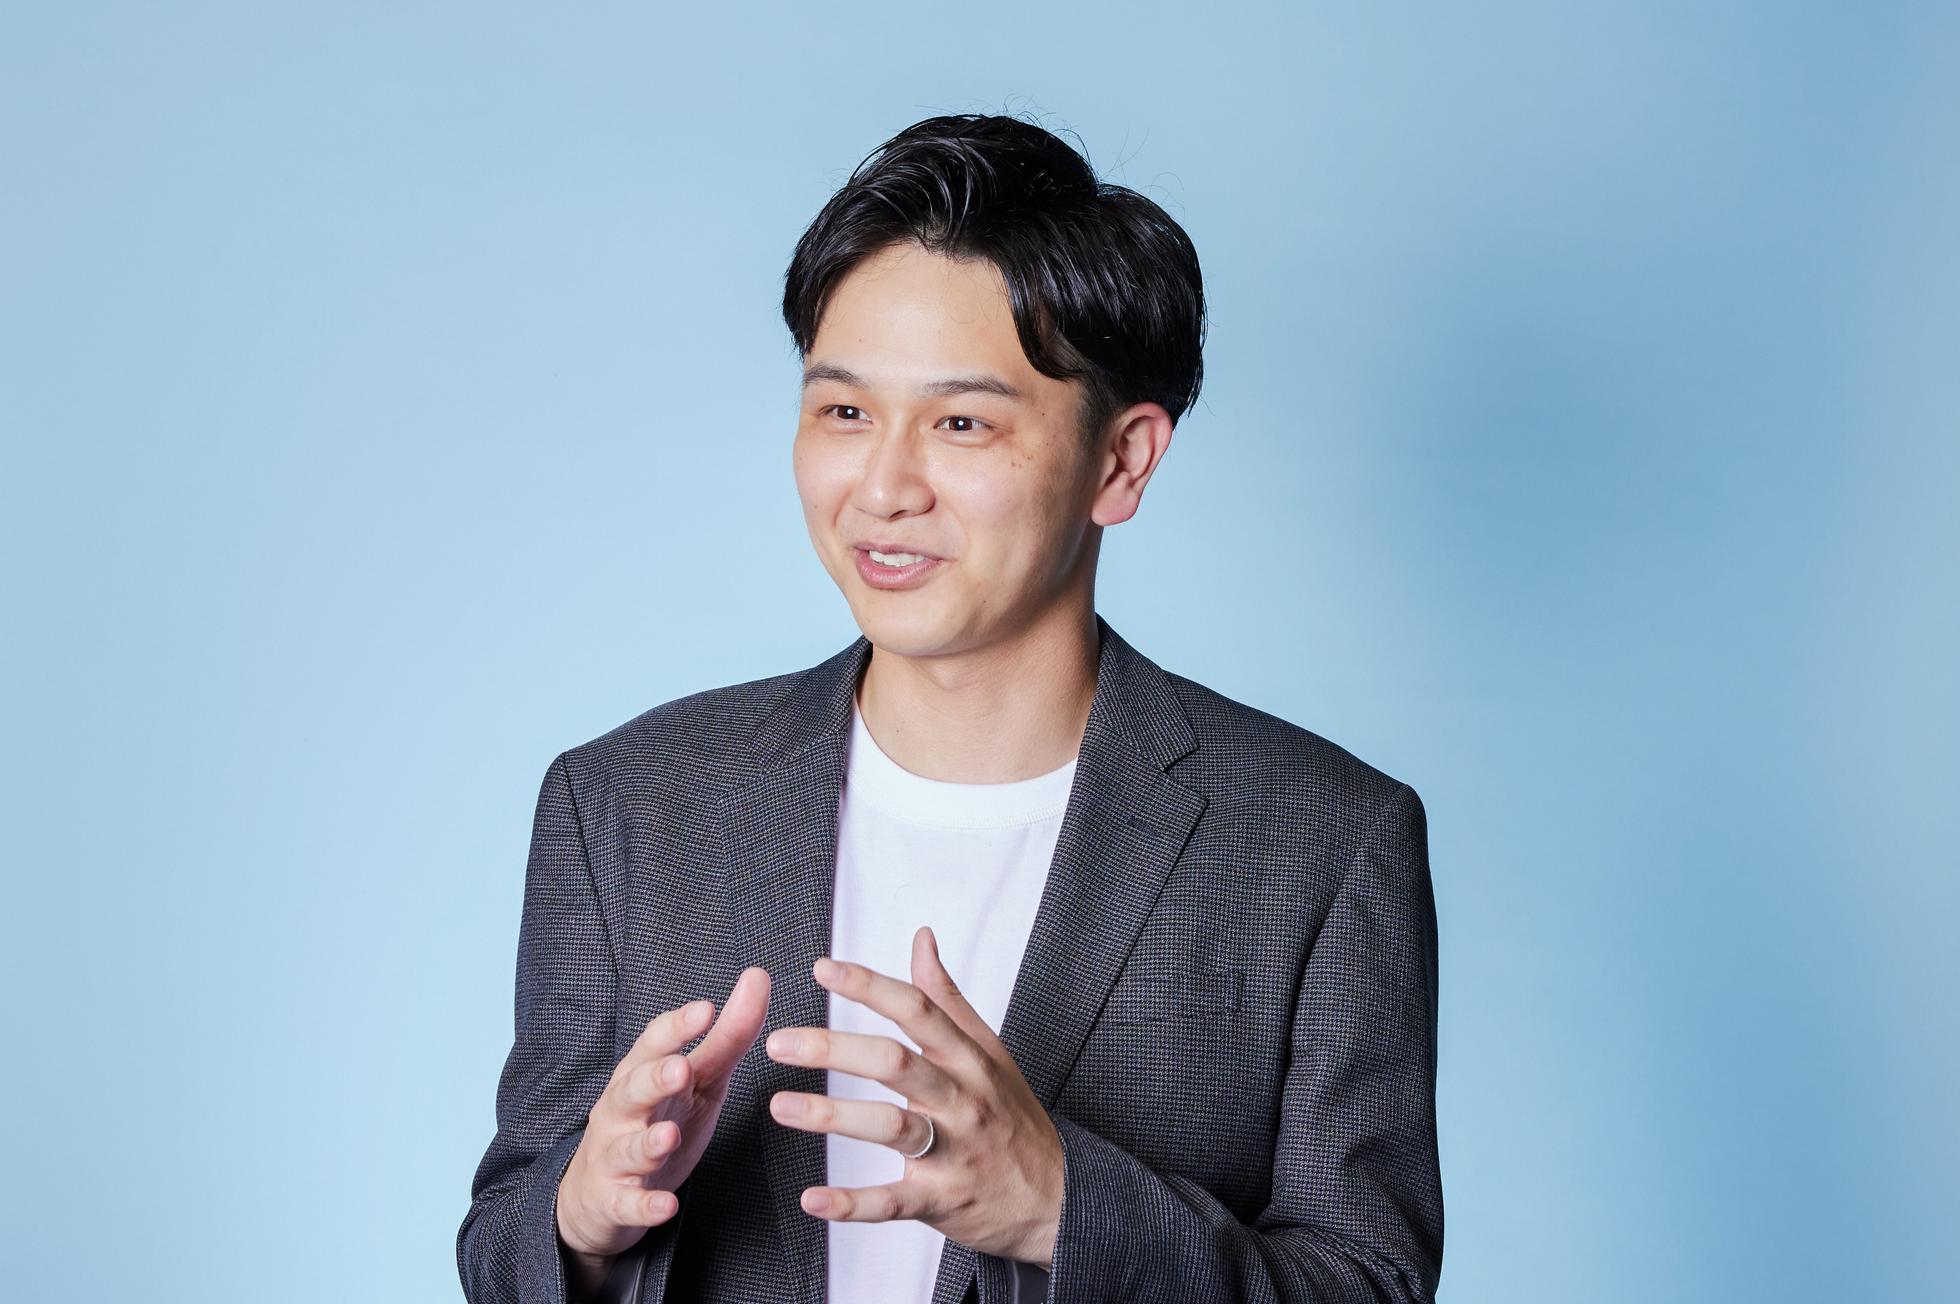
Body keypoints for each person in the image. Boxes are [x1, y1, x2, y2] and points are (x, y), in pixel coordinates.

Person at [457, 111, 1443, 1304]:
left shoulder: (1321, 839)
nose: (882, 486)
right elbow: (504, 1238)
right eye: (843, 411)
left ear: (1121, 461)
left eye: (961, 422)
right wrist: (583, 1216)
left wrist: (1064, 1207)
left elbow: (1367, 1280)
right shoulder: (624, 803)